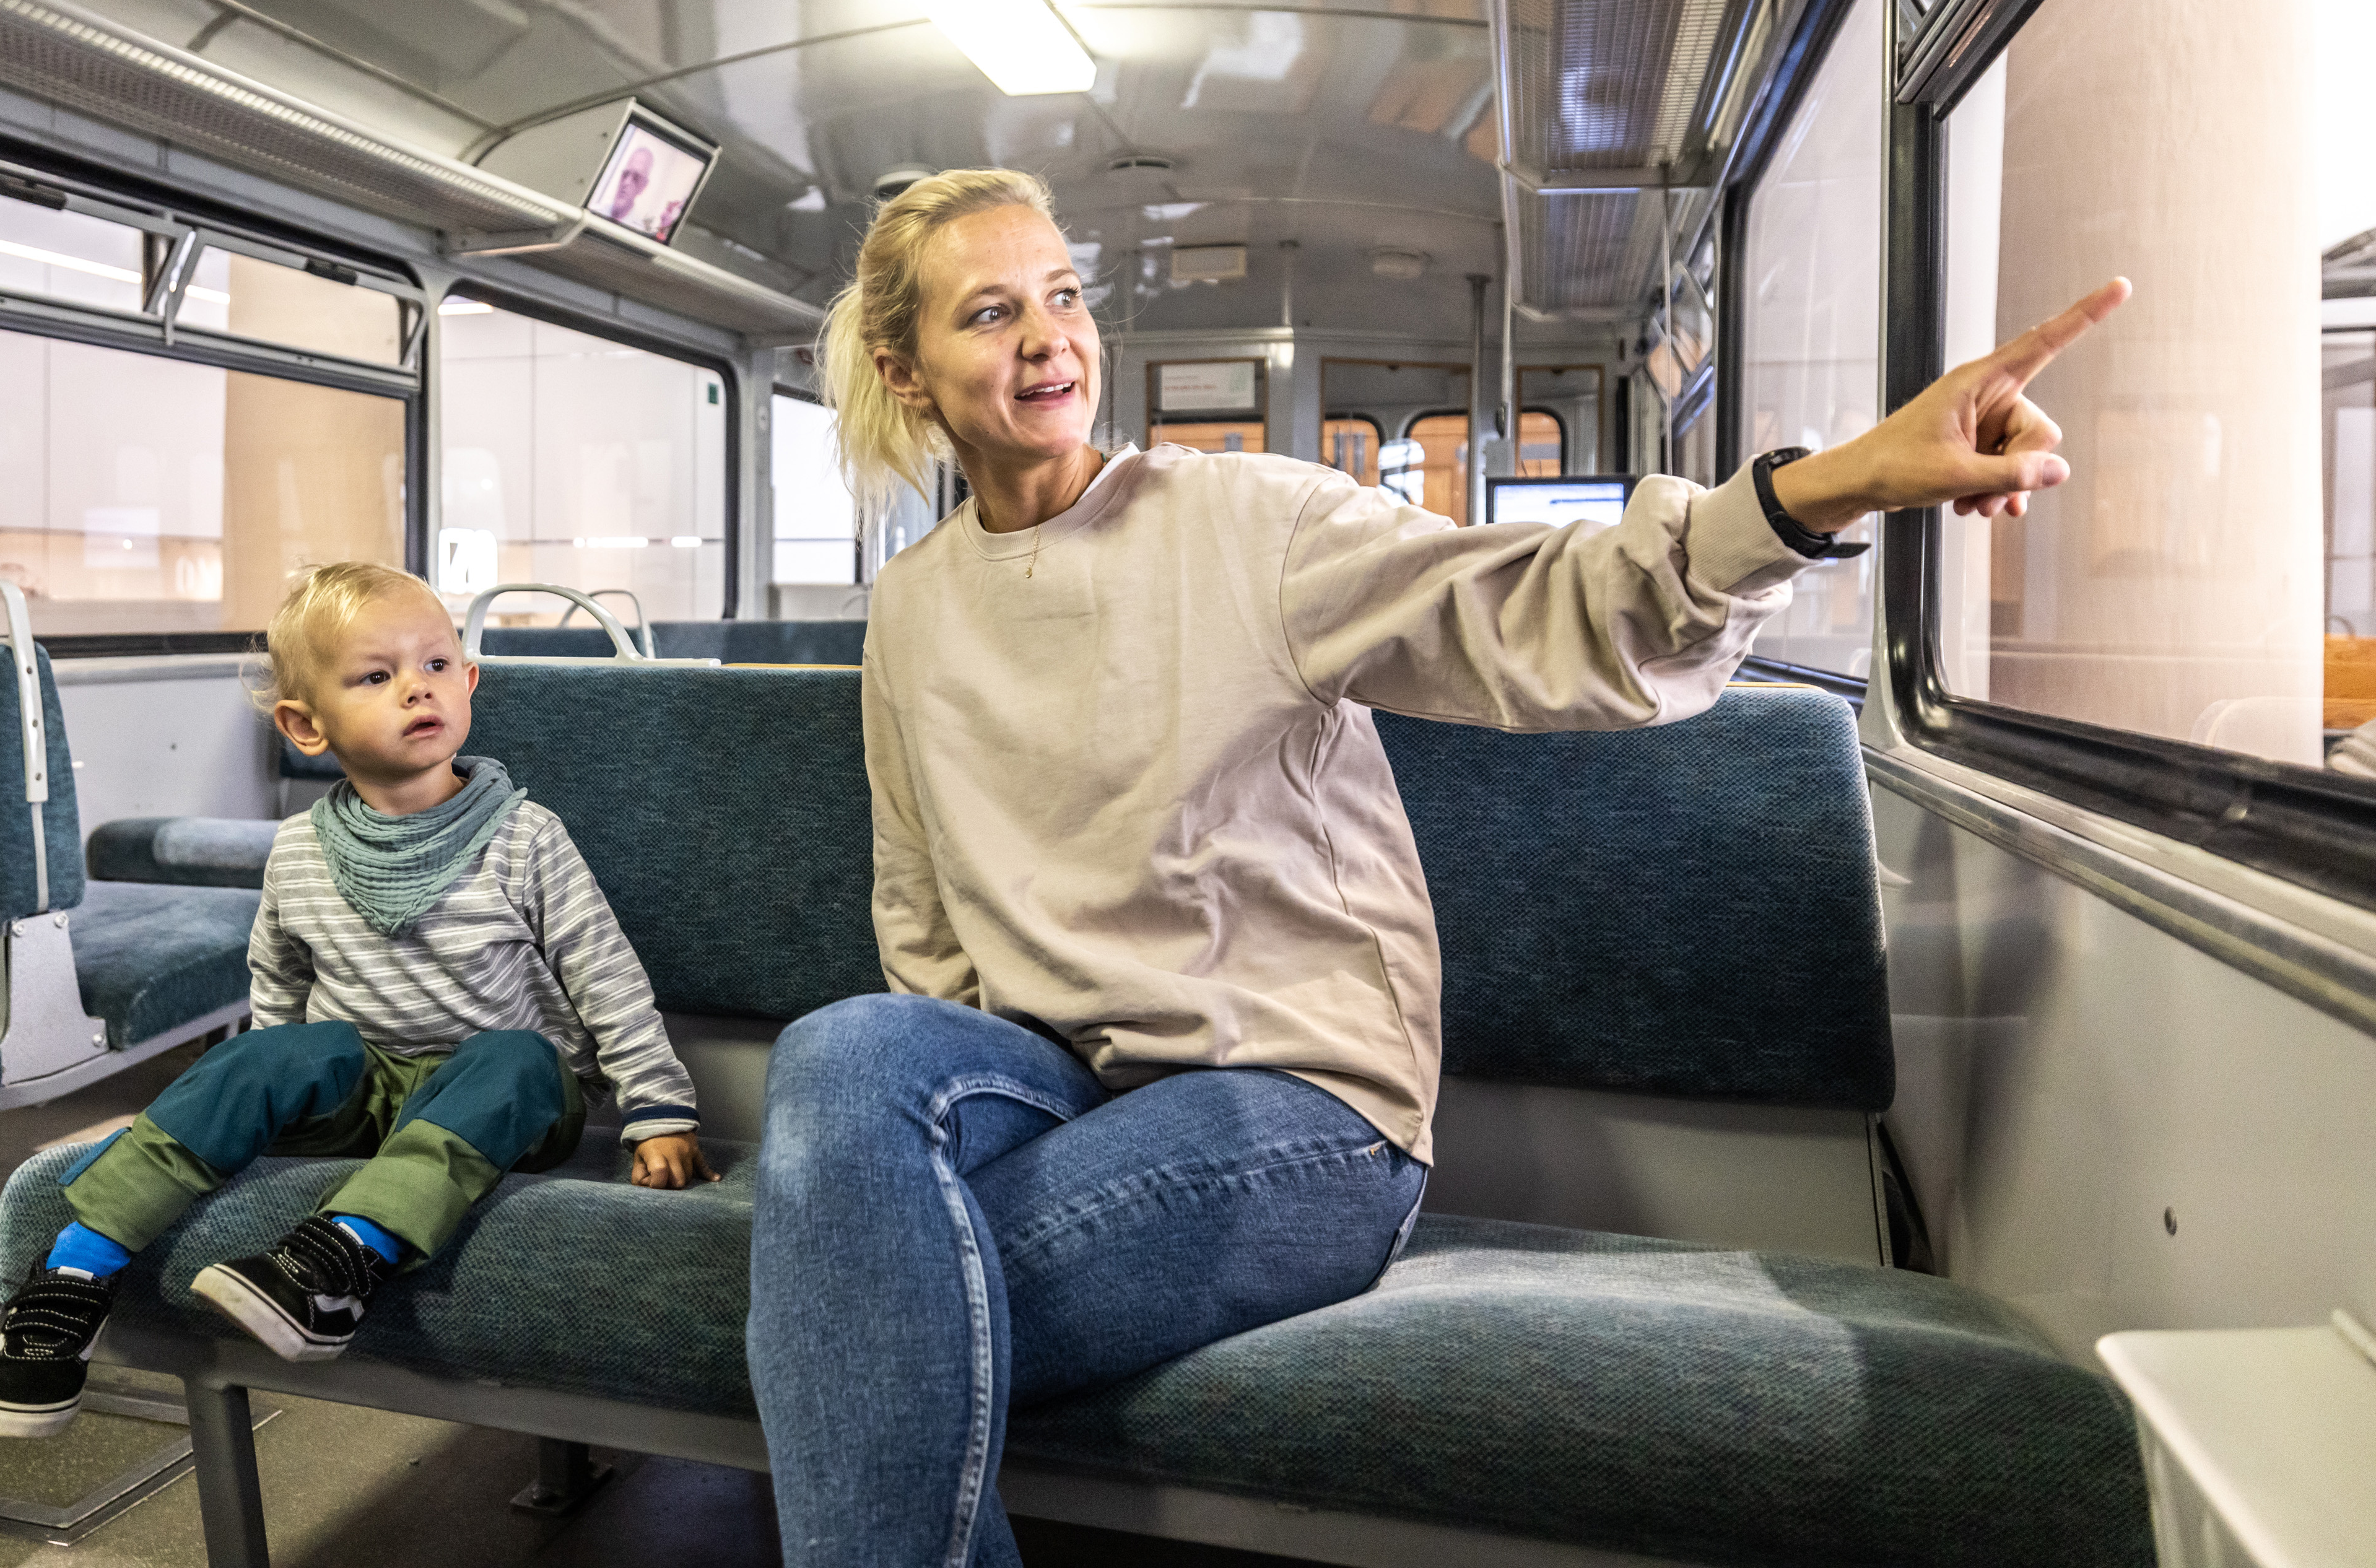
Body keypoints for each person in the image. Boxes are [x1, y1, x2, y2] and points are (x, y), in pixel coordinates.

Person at [748, 168, 2128, 1566]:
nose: (1049, 339)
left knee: (861, 1310)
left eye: (1062, 297)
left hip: (1295, 1107)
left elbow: (1550, 608)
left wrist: (1822, 490)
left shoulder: (1249, 527)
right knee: (844, 1052)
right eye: (991, 314)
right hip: (1056, 1089)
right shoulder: (913, 608)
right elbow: (917, 899)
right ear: (903, 370)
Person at [0, 561, 714, 1439]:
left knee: (515, 1056)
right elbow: (277, 993)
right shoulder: (299, 850)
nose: (415, 691)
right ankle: (75, 1279)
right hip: (366, 1093)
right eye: (375, 677)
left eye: (436, 667)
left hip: (503, 1100)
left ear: (469, 682)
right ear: (305, 726)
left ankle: (338, 1259)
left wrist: (659, 1109)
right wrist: (254, 1107)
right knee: (261, 1049)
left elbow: (604, 974)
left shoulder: (523, 836)